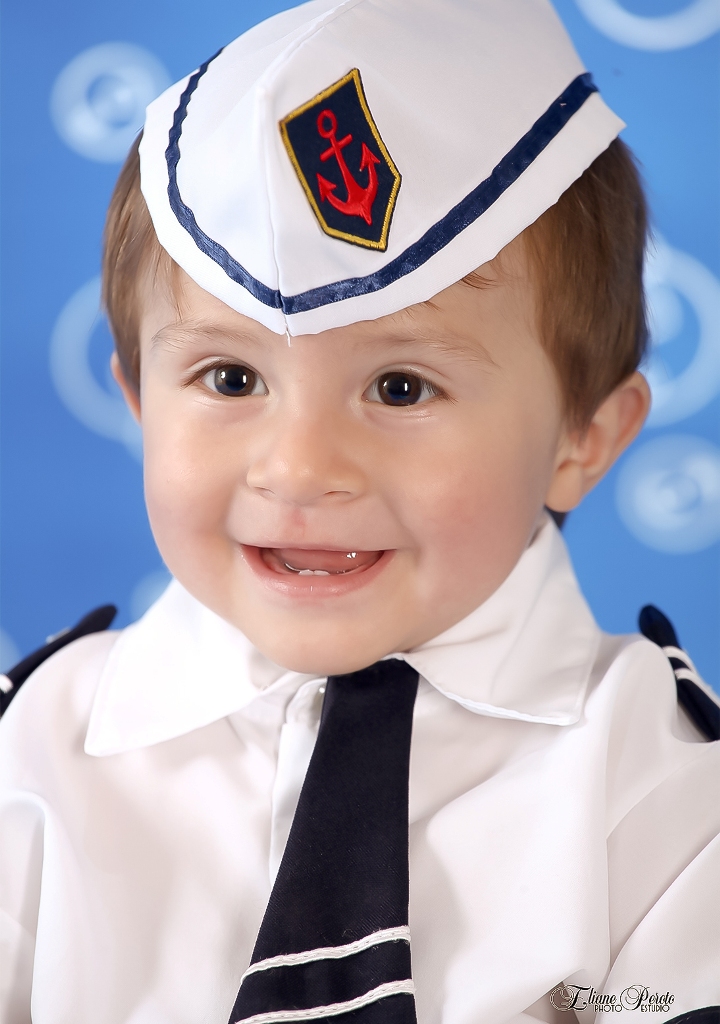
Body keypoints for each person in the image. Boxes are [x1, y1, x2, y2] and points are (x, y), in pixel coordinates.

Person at [1, 1, 719, 1022]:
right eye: (230, 378)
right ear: (139, 401)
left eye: (400, 388)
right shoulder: (27, 755)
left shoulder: (667, 797)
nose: (298, 469)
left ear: (583, 438)